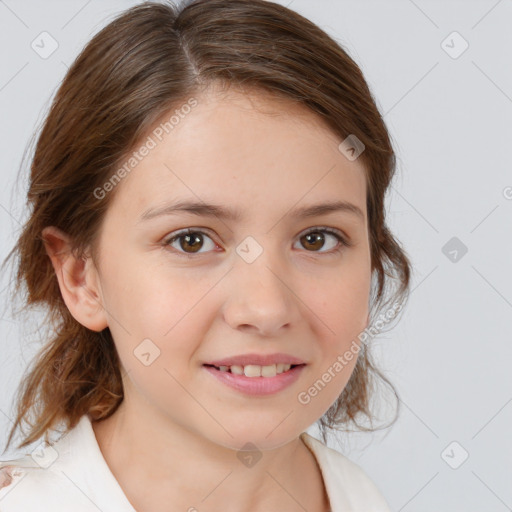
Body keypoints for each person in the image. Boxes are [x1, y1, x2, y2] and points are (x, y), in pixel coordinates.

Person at [0, 1, 411, 510]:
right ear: (81, 276)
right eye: (191, 240)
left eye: (316, 239)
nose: (266, 309)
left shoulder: (361, 498)